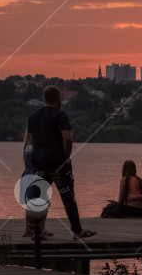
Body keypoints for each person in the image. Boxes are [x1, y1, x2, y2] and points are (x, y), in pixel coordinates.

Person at [27, 86, 95, 240]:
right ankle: (77, 231)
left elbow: (31, 139)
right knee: (67, 195)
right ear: (58, 99)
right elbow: (68, 138)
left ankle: (37, 231)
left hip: (38, 160)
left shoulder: (33, 116)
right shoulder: (60, 115)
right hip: (57, 162)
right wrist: (66, 156)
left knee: (40, 195)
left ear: (44, 98)